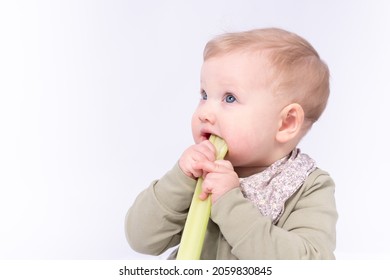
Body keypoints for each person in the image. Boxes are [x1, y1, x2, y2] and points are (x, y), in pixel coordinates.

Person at [125, 27, 337, 259]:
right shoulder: (199, 172)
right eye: (204, 95)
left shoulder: (309, 186)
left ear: (286, 123)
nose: (205, 112)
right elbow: (141, 239)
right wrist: (179, 180)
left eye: (229, 98)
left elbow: (311, 265)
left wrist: (230, 202)